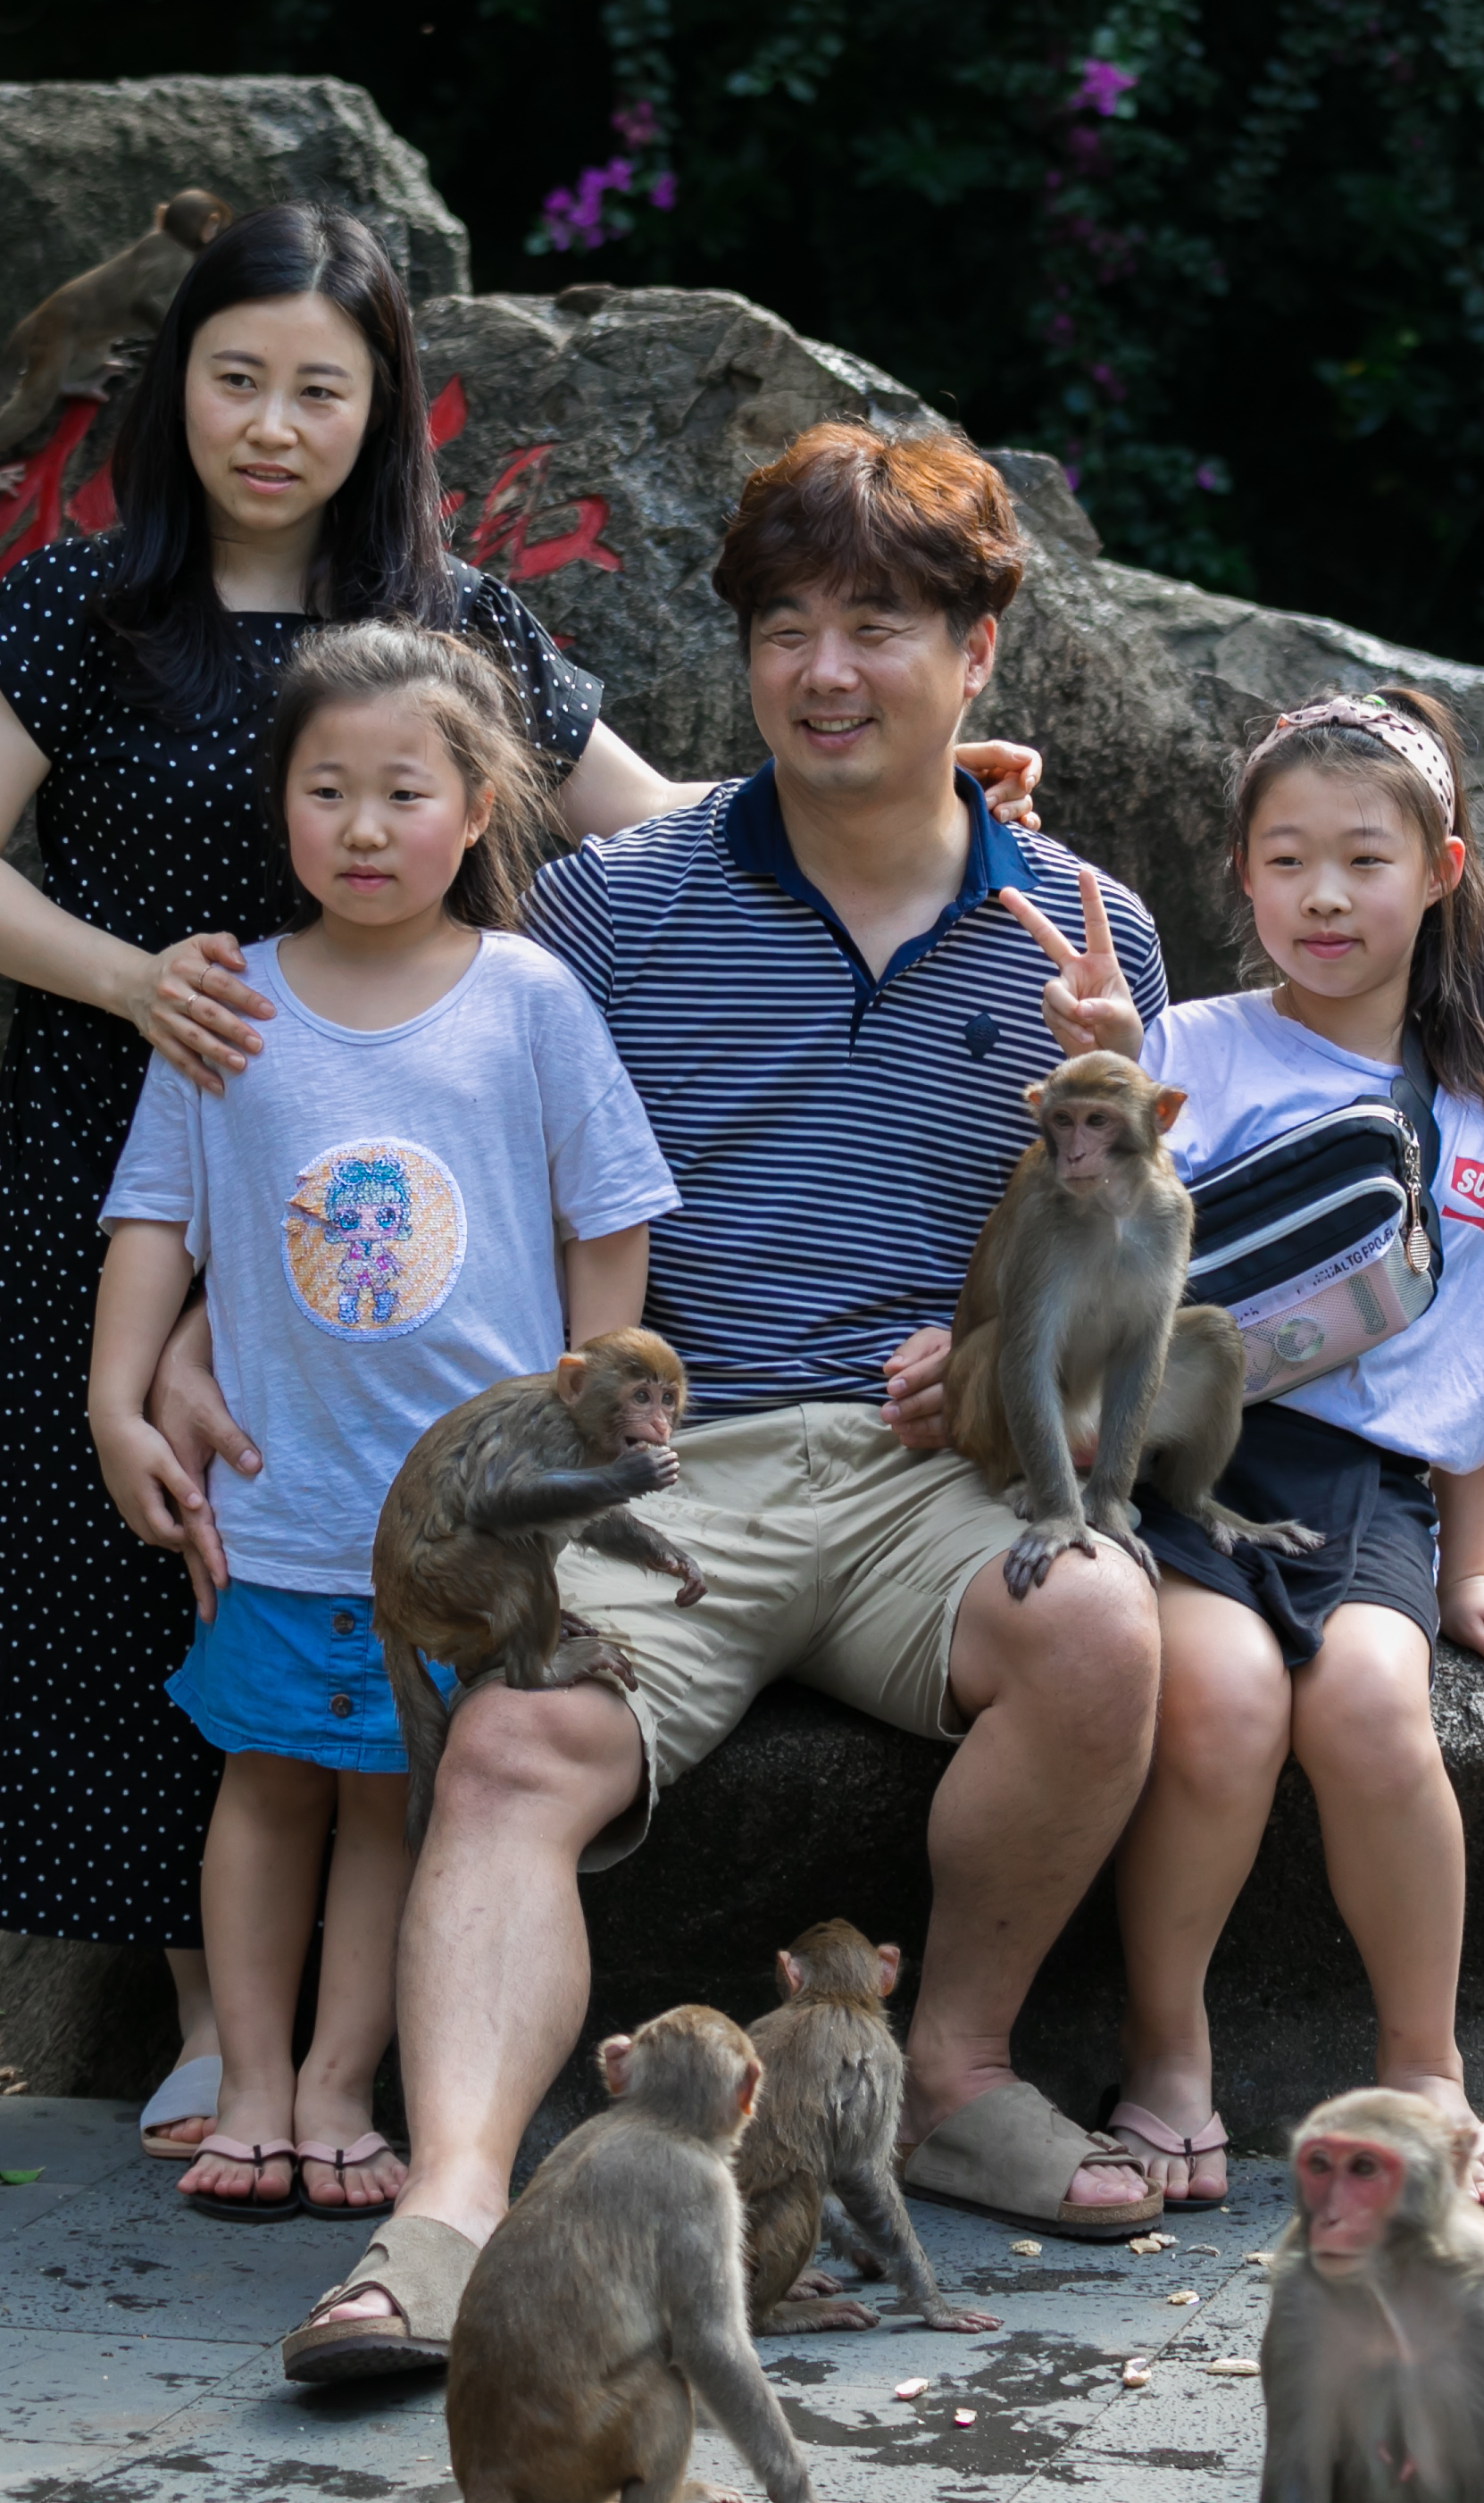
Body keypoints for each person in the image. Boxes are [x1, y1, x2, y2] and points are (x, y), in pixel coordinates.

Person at [0, 208, 1031, 2168]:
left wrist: (915, 788)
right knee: (159, 1555)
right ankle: (201, 2021)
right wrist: (136, 981)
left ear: (382, 409)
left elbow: (659, 818)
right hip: (160, 1102)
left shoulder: (462, 621)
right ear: (172, 390)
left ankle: (326, 2065)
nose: (272, 424)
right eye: (235, 378)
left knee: (338, 1583)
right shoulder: (83, 604)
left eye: (319, 388)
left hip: (407, 1166)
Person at [236, 418, 1176, 2383]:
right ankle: (452, 2214)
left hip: (932, 1470)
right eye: (788, 628)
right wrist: (181, 1339)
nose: (828, 672)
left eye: (882, 627)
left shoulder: (1084, 933)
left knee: (1099, 1626)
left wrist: (1017, 1295)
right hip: (669, 1459)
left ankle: (955, 2074)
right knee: (509, 1747)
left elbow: (1116, 1287)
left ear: (978, 653)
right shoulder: (618, 905)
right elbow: (404, 1124)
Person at [87, 622, 677, 2218]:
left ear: (477, 811)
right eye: (326, 789)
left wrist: (589, 1414)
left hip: (457, 1534)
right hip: (277, 1508)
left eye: (404, 792)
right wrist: (115, 1402)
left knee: (392, 1802)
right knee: (268, 1785)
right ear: (279, 802)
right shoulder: (230, 1002)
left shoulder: (530, 999)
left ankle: (344, 2086)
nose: (363, 828)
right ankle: (252, 2083)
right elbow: (154, 1221)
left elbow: (609, 1210)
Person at [1103, 685, 1484, 2215]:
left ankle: (1427, 2067)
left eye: (1365, 860)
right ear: (1243, 876)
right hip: (1187, 1464)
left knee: (1380, 1711)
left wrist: (1471, 1576)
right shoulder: (1185, 1049)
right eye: (1287, 861)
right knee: (1223, 1705)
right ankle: (1169, 2056)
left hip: (1361, 1488)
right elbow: (1100, 1274)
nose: (1324, 897)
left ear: (1441, 871)